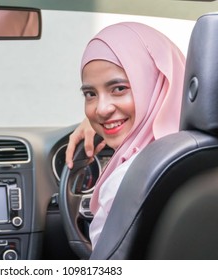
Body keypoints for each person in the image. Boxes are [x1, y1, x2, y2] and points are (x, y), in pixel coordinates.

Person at [65, 22, 186, 249]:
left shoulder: (130, 180)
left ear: (155, 85)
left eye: (119, 88)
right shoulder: (209, 152)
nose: (101, 109)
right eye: (90, 94)